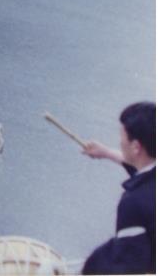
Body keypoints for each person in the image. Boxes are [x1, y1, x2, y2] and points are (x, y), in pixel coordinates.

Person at [80, 101, 155, 275]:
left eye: (122, 139)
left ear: (136, 147)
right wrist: (106, 152)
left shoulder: (133, 204)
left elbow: (131, 269)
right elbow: (142, 167)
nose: (120, 143)